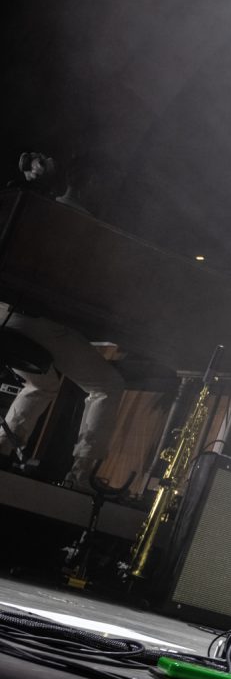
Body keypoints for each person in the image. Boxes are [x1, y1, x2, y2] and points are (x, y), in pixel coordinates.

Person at [1, 151, 124, 488]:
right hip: (37, 318)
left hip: (4, 311)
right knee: (108, 385)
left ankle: (2, 447)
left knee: (42, 383)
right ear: (90, 184)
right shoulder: (86, 226)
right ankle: (80, 475)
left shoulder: (40, 207)